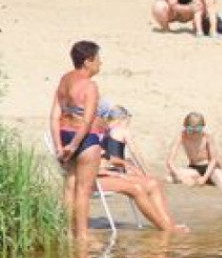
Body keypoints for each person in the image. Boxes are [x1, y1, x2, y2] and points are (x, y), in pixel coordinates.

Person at [98, 106, 186, 232]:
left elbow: (108, 155)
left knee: (151, 183)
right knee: (151, 183)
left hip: (112, 168)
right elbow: (135, 152)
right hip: (113, 171)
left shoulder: (104, 131)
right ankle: (167, 225)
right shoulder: (122, 130)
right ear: (122, 119)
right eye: (128, 120)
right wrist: (145, 170)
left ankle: (167, 225)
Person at [50, 41, 105, 238]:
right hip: (84, 139)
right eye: (98, 59)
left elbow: (55, 115)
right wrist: (74, 146)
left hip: (64, 135)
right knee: (83, 190)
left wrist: (59, 146)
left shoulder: (64, 80)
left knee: (70, 186)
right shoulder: (90, 86)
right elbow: (88, 120)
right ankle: (82, 236)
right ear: (88, 61)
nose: (100, 63)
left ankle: (66, 233)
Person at [166, 112, 222, 190]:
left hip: (210, 168)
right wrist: (181, 178)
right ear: (185, 127)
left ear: (202, 128)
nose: (194, 133)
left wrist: (205, 178)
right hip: (194, 168)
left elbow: (213, 160)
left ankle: (205, 179)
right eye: (190, 130)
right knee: (169, 178)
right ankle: (197, 178)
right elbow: (169, 162)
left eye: (198, 130)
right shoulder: (181, 136)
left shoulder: (207, 136)